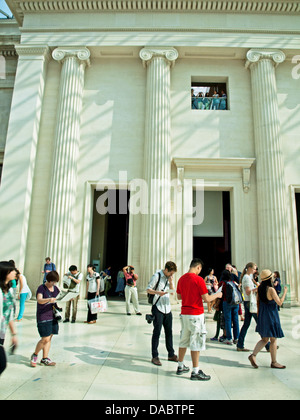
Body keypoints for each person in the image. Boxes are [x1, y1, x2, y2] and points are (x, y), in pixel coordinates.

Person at [176, 258, 222, 381]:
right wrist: (217, 294)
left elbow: (179, 296)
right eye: (199, 269)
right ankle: (195, 371)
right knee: (196, 342)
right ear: (198, 267)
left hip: (184, 314)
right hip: (195, 314)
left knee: (183, 340)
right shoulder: (199, 279)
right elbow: (207, 299)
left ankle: (180, 366)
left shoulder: (181, 279)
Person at [249, 269, 288, 369]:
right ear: (270, 278)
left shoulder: (260, 288)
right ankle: (274, 362)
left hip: (263, 316)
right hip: (271, 316)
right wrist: (284, 293)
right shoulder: (271, 289)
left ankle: (253, 355)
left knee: (265, 339)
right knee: (273, 339)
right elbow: (279, 302)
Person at [147, 261, 178, 366]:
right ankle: (154, 356)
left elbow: (173, 292)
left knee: (169, 332)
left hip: (167, 308)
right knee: (157, 332)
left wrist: (171, 282)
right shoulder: (157, 276)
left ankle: (171, 354)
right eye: (171, 273)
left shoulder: (169, 278)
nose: (172, 275)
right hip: (158, 307)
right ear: (166, 270)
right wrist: (158, 293)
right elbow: (148, 289)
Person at [30, 271, 60, 367]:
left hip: (53, 316)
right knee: (45, 338)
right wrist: (48, 299)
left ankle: (45, 358)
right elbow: (39, 300)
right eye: (53, 282)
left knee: (49, 338)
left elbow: (59, 297)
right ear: (49, 280)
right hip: (43, 316)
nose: (54, 284)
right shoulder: (41, 288)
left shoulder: (55, 288)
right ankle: (35, 355)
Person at [0, 261, 18, 376]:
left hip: (2, 332)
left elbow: (9, 314)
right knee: (1, 363)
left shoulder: (9, 290)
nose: (15, 272)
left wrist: (14, 334)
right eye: (12, 270)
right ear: (5, 273)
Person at [236, 262, 258, 351]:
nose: (255, 270)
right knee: (259, 323)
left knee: (246, 324)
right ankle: (267, 344)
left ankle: (240, 344)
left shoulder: (248, 277)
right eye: (254, 269)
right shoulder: (246, 278)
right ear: (249, 268)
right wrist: (258, 288)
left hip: (248, 302)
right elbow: (248, 291)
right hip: (250, 303)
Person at [218, 268, 240, 345]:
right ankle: (236, 338)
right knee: (236, 320)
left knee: (228, 320)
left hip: (226, 303)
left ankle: (229, 338)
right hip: (235, 303)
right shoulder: (233, 282)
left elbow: (219, 294)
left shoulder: (222, 283)